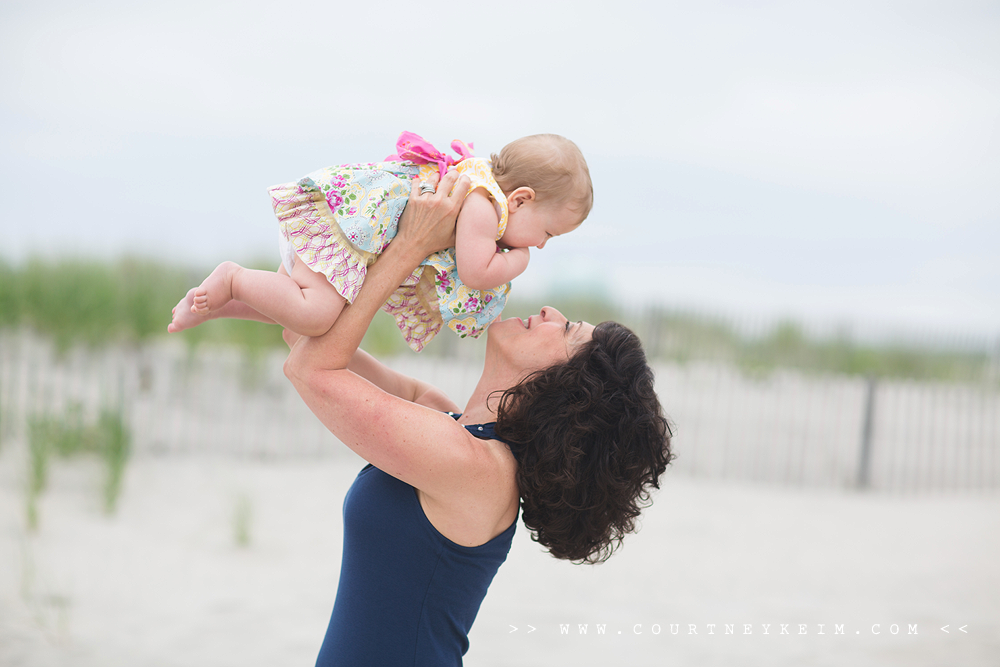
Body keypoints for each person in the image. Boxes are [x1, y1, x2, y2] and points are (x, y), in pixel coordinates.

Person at [281, 169, 673, 666]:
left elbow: (311, 370)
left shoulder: (476, 469)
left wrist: (409, 245)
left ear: (570, 389)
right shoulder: (452, 426)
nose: (551, 312)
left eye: (568, 328)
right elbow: (305, 342)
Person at [167, 132, 594, 351]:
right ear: (521, 199)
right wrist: (517, 262)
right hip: (346, 234)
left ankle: (220, 305)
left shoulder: (481, 185)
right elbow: (475, 271)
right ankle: (233, 278)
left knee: (302, 317)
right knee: (316, 317)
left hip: (351, 237)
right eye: (548, 234)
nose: (539, 245)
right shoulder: (483, 205)